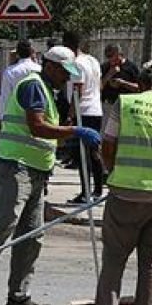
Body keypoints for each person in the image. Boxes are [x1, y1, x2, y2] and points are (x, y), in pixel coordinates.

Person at [0, 46, 101, 305]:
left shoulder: (49, 91)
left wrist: (68, 131)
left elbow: (48, 135)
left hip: (37, 171)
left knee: (32, 236)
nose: (66, 78)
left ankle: (18, 296)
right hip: (17, 168)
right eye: (63, 72)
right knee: (2, 228)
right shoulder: (33, 86)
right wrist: (75, 131)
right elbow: (36, 127)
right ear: (50, 66)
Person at [84, 63, 152, 305]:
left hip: (125, 192)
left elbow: (108, 143)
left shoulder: (125, 103)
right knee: (149, 263)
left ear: (142, 84)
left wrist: (111, 170)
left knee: (114, 256)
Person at [66, 33, 105, 203]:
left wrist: (71, 114)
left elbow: (77, 89)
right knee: (94, 152)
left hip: (83, 112)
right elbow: (99, 84)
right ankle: (97, 190)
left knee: (81, 154)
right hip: (96, 110)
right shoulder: (94, 61)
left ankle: (86, 192)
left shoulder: (75, 63)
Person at [101, 43, 141, 130]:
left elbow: (139, 87)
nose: (111, 59)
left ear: (119, 54)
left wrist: (123, 83)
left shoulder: (131, 67)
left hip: (126, 106)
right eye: (108, 56)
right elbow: (99, 87)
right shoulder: (105, 67)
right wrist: (109, 75)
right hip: (109, 106)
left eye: (112, 56)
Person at [0, 40, 41, 115]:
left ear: (17, 54)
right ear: (31, 52)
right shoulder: (39, 69)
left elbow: (5, 96)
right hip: (38, 116)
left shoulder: (10, 71)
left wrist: (2, 117)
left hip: (14, 119)